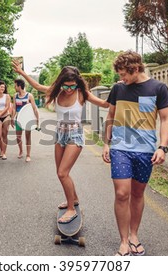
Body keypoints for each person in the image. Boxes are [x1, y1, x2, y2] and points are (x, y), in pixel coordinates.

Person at [13, 60, 109, 223]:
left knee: (62, 173)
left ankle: (71, 209)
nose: (69, 89)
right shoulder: (56, 92)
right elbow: (37, 86)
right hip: (59, 134)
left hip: (75, 135)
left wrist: (122, 89)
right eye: (66, 86)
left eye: (72, 86)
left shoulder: (81, 93)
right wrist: (22, 73)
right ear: (60, 83)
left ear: (77, 83)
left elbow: (105, 103)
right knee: (61, 172)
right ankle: (74, 199)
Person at [102, 51, 168, 256]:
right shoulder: (118, 89)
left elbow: (166, 119)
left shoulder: (158, 88)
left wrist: (163, 146)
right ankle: (124, 241)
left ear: (135, 69)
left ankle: (134, 234)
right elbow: (111, 115)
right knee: (122, 193)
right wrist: (106, 143)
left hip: (145, 150)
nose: (121, 78)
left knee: (137, 193)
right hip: (120, 148)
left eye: (124, 74)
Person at [12, 79, 39, 162]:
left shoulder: (29, 96)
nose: (14, 87)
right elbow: (14, 108)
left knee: (28, 137)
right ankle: (21, 150)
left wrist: (37, 120)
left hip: (27, 119)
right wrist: (12, 118)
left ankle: (28, 155)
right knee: (18, 137)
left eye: (15, 85)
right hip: (18, 119)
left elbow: (34, 108)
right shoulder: (15, 96)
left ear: (19, 86)